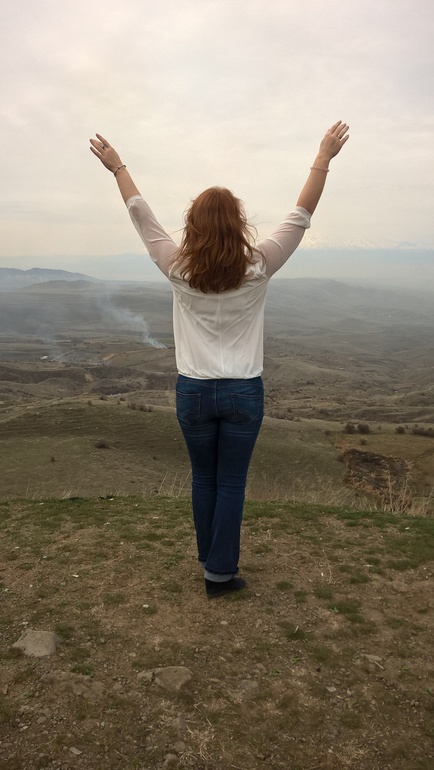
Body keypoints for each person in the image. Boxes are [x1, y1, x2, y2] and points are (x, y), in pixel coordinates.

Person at [90, 121, 349, 598]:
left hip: (193, 390)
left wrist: (118, 168)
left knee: (203, 478)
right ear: (238, 224)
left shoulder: (178, 268)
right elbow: (301, 215)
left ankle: (210, 559)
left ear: (193, 225)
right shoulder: (259, 265)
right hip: (243, 391)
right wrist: (323, 158)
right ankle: (219, 572)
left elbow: (141, 215)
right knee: (231, 483)